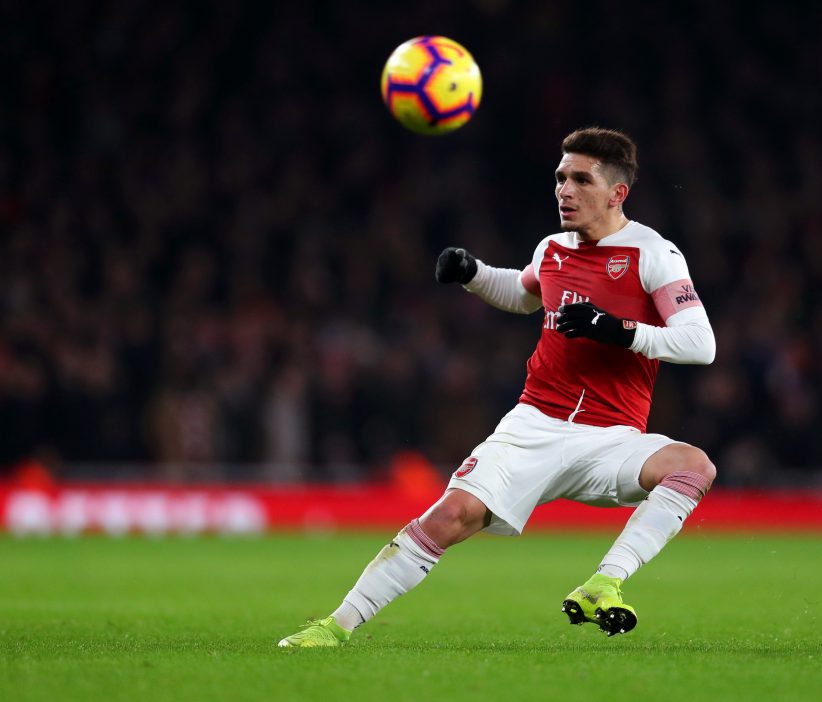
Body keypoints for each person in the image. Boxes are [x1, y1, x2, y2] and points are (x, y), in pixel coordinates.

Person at [279, 127, 717, 647]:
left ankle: (605, 583)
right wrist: (473, 273)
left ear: (617, 193)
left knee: (693, 466)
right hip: (533, 425)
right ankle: (335, 627)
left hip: (612, 437)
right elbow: (524, 292)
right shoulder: (553, 248)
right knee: (450, 516)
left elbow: (700, 343)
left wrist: (618, 330)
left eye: (581, 180)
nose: (565, 190)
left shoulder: (653, 254)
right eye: (561, 178)